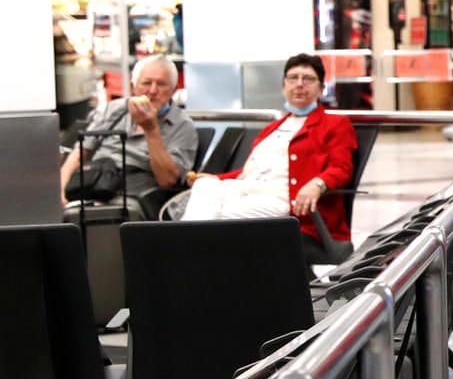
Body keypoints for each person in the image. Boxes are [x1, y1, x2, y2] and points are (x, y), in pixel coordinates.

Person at [182, 54, 360, 265]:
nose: (300, 84)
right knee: (204, 185)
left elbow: (341, 168)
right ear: (284, 86)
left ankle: (184, 258)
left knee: (221, 218)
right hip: (249, 189)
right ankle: (185, 252)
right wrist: (217, 178)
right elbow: (252, 171)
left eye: (308, 79)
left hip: (285, 201)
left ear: (321, 88)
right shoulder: (272, 128)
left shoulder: (334, 124)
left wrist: (317, 184)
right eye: (293, 78)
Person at [60, 54, 196, 214]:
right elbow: (81, 151)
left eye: (161, 84)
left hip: (138, 192)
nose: (152, 91)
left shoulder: (182, 125)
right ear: (134, 86)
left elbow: (167, 181)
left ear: (173, 90)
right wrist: (60, 189)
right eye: (146, 83)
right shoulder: (114, 110)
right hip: (95, 182)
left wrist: (151, 130)